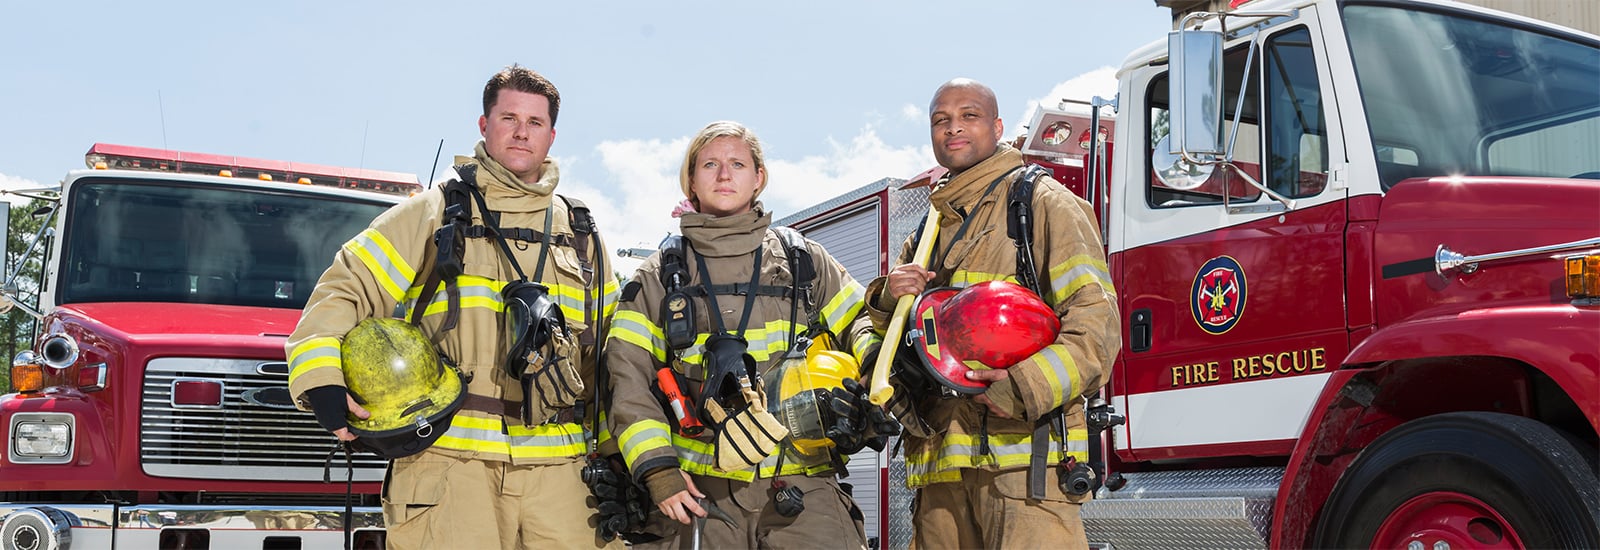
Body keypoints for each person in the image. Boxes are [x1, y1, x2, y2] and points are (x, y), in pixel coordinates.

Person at [285, 64, 621, 550]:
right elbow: (346, 287)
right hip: (450, 468)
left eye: (535, 122)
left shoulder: (583, 233)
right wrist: (319, 378)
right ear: (484, 126)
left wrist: (618, 458)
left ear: (552, 136)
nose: (521, 132)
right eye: (508, 118)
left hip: (563, 480)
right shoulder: (435, 212)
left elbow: (609, 356)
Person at [605, 121, 895, 549]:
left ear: (758, 177)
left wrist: (873, 374)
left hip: (803, 484)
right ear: (691, 179)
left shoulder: (802, 259)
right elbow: (626, 376)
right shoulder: (658, 277)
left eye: (737, 163)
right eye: (710, 164)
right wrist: (658, 470)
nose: (724, 175)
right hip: (701, 494)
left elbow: (860, 322)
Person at [867, 78, 1120, 549]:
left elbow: (1096, 327)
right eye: (940, 120)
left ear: (998, 126)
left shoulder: (1042, 204)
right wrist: (887, 303)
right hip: (940, 474)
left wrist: (1023, 387)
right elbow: (902, 349)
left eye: (969, 116)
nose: (953, 128)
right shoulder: (930, 228)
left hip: (1025, 473)